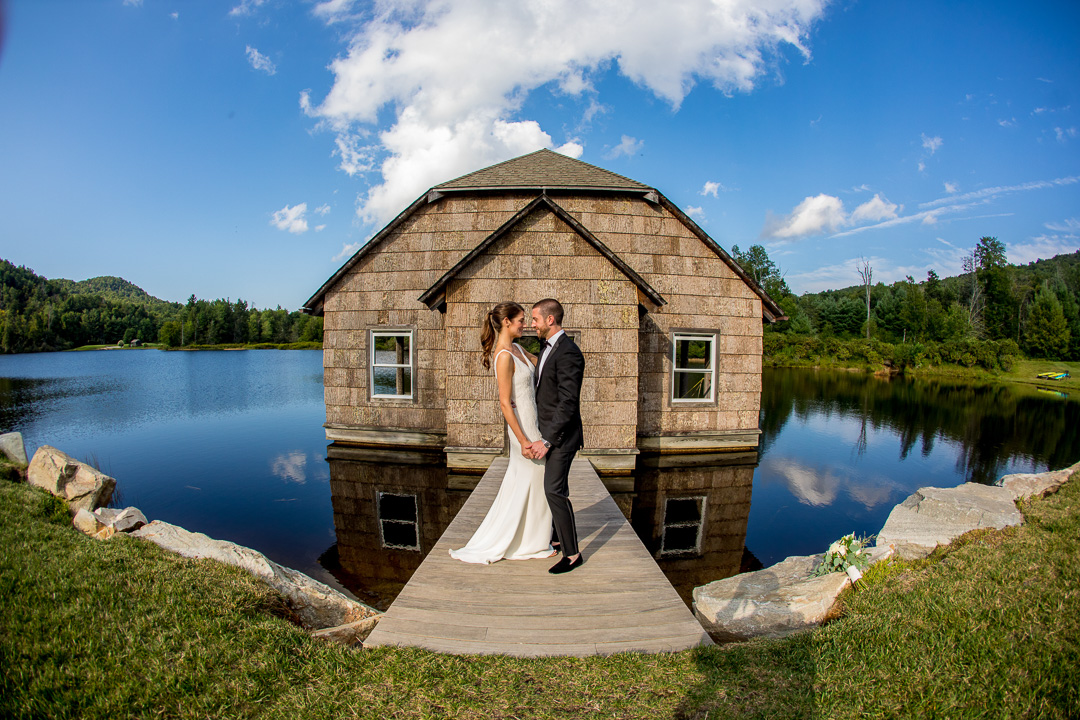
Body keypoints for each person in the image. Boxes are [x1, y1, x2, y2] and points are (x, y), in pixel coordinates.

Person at [448, 302, 556, 564]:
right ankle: (528, 542)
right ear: (506, 322)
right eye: (520, 320)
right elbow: (505, 403)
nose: (524, 324)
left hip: (534, 421)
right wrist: (522, 440)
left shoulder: (518, 348)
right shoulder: (504, 356)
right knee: (534, 476)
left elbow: (544, 362)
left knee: (531, 480)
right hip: (522, 427)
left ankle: (533, 537)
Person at [525, 298, 585, 574]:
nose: (531, 324)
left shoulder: (569, 353)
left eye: (535, 319)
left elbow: (568, 403)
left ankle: (572, 555)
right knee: (554, 488)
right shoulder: (546, 347)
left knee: (554, 490)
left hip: (562, 436)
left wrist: (547, 439)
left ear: (550, 320)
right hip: (549, 432)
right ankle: (557, 537)